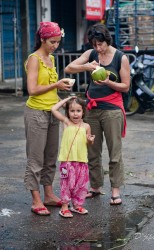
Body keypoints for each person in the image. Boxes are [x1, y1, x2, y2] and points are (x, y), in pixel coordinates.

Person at [64, 23, 130, 205]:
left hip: (112, 110)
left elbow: (125, 86)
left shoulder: (120, 57)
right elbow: (69, 68)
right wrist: (87, 67)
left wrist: (109, 82)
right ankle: (95, 186)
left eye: (100, 44)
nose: (98, 48)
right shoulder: (92, 54)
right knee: (92, 150)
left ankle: (115, 190)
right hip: (92, 109)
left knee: (114, 152)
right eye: (94, 44)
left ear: (107, 41)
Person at [24, 22, 74, 216]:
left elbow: (51, 86)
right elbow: (33, 90)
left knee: (50, 157)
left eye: (57, 42)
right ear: (42, 39)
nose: (55, 45)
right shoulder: (34, 58)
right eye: (52, 42)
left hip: (52, 110)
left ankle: (49, 194)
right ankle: (36, 200)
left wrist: (63, 96)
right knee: (35, 158)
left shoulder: (51, 58)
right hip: (36, 112)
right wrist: (56, 86)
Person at [51, 96, 95, 218]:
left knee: (81, 185)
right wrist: (68, 99)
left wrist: (90, 140)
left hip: (81, 161)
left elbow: (89, 142)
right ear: (68, 112)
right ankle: (64, 207)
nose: (75, 114)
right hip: (67, 161)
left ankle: (77, 205)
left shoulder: (86, 126)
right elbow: (54, 109)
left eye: (78, 111)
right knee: (66, 184)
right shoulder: (66, 122)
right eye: (72, 111)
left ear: (83, 111)